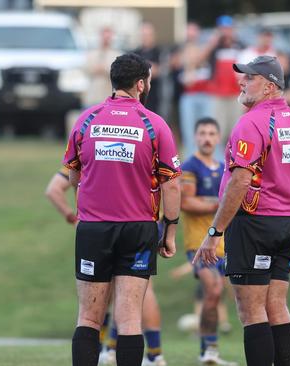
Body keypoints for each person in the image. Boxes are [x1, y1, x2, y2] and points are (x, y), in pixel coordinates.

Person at [193, 55, 290, 366]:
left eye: (249, 78)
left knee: (252, 312)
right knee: (276, 306)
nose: (241, 82)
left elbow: (240, 182)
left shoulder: (251, 122)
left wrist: (214, 232)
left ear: (268, 86)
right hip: (287, 225)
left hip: (254, 224)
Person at [62, 53, 181, 366]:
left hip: (93, 228)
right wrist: (170, 231)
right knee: (129, 320)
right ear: (141, 84)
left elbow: (74, 175)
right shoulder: (155, 125)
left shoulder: (86, 120)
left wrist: (89, 203)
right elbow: (171, 185)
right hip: (138, 229)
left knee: (88, 317)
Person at [180, 117, 237, 365]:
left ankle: (209, 351)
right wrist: (220, 205)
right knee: (212, 290)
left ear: (218, 137)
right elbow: (186, 202)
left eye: (211, 133)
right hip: (198, 244)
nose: (206, 137)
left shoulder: (224, 168)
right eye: (202, 132)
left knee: (216, 295)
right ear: (195, 137)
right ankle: (208, 350)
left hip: (224, 246)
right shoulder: (190, 166)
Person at [203, 15, 245, 146]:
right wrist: (211, 44)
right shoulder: (215, 47)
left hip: (236, 95)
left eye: (228, 28)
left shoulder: (240, 46)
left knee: (235, 131)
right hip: (217, 95)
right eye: (223, 29)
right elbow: (200, 59)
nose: (226, 32)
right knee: (217, 131)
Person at [175, 22, 213, 158]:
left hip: (205, 96)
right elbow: (188, 80)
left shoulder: (203, 50)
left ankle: (206, 162)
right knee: (189, 132)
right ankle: (190, 163)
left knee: (208, 130)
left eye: (193, 31)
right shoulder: (181, 50)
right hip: (189, 97)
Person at [85, 27, 122, 107]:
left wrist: (104, 69)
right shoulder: (91, 53)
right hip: (93, 97)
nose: (106, 40)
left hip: (109, 97)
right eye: (104, 37)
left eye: (108, 37)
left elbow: (118, 74)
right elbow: (87, 70)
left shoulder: (117, 54)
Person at [133, 23, 163, 115]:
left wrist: (139, 67)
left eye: (147, 35)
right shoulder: (135, 52)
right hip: (137, 98)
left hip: (155, 97)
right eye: (143, 35)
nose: (145, 37)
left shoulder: (160, 52)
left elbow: (157, 71)